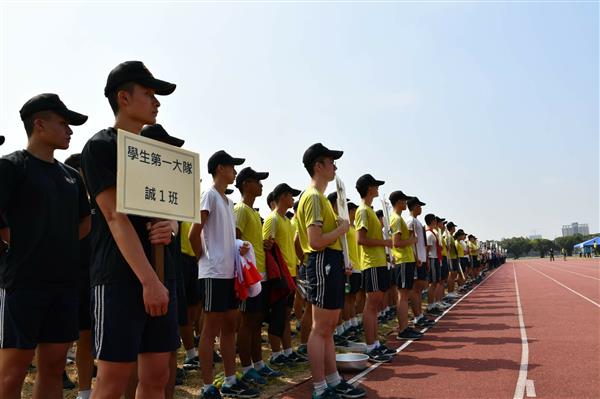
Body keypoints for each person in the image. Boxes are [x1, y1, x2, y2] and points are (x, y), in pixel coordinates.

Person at [81, 62, 181, 399]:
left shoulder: (157, 155)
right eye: (149, 94)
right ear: (123, 98)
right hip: (120, 279)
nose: (157, 102)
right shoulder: (100, 147)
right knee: (113, 379)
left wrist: (173, 226)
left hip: (160, 273)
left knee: (156, 374)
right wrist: (149, 282)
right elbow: (114, 217)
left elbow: (173, 212)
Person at [0, 93, 91, 399]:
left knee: (52, 367)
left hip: (64, 285)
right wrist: (25, 247)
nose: (70, 131)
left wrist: (57, 246)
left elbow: (84, 222)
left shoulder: (71, 178)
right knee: (12, 370)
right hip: (22, 283)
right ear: (39, 124)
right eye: (64, 123)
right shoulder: (11, 167)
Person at [295, 143, 365, 399]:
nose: (335, 166)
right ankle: (320, 387)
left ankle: (333, 380)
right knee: (321, 328)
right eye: (331, 161)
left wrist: (341, 253)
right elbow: (314, 241)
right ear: (318, 166)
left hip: (329, 261)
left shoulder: (319, 198)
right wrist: (341, 230)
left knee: (328, 327)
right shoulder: (313, 197)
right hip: (321, 261)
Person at [189, 151, 259, 399]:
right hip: (213, 273)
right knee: (210, 329)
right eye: (232, 167)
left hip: (230, 273)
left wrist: (236, 245)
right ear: (220, 168)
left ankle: (230, 380)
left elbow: (225, 235)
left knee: (231, 325)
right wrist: (205, 260)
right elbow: (194, 233)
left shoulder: (228, 202)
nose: (235, 171)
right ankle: (208, 386)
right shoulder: (208, 195)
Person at [233, 167, 282, 387]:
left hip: (259, 274)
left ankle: (258, 364)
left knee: (256, 322)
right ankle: (246, 368)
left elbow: (248, 242)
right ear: (245, 184)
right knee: (247, 322)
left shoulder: (254, 212)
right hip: (248, 275)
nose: (262, 186)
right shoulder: (241, 209)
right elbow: (235, 240)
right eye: (257, 182)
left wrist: (262, 246)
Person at [263, 183, 307, 368]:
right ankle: (276, 353)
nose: (293, 199)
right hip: (279, 275)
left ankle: (287, 351)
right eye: (291, 196)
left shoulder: (287, 222)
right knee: (278, 315)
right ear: (282, 197)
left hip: (292, 273)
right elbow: (266, 246)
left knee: (287, 315)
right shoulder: (272, 219)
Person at [64, 153, 95, 399]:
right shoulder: (66, 200)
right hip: (67, 277)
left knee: (86, 336)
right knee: (61, 337)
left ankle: (84, 392)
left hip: (92, 277)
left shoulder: (98, 201)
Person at [354, 174, 395, 362]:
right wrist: (385, 242)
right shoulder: (362, 210)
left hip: (378, 262)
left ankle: (376, 343)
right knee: (371, 305)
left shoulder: (369, 210)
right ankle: (371, 346)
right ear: (369, 188)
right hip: (371, 264)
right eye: (376, 186)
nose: (377, 188)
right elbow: (360, 239)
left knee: (376, 305)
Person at [388, 191, 423, 340]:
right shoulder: (395, 219)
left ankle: (405, 326)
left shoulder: (399, 218)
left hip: (407, 259)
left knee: (405, 295)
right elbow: (396, 243)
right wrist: (411, 241)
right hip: (402, 260)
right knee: (402, 296)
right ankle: (402, 329)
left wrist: (414, 256)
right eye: (404, 200)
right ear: (398, 202)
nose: (405, 203)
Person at [405, 197, 433, 327]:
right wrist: (416, 257)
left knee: (419, 288)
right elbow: (411, 242)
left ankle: (420, 314)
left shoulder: (417, 221)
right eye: (419, 206)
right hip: (416, 260)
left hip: (421, 259)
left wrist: (425, 258)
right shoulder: (410, 221)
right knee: (415, 289)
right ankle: (417, 316)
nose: (421, 208)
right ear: (415, 206)